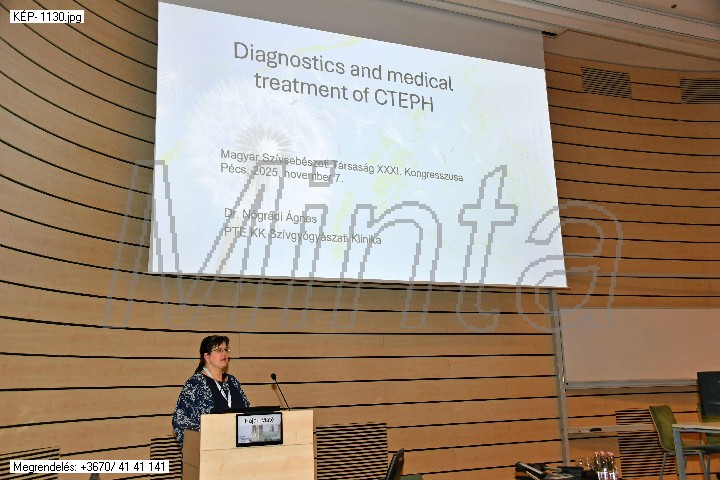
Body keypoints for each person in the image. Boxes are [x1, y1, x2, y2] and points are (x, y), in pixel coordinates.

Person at [172, 335, 250, 446]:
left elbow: (246, 412)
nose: (224, 353)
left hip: (237, 446)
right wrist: (209, 439)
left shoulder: (232, 381)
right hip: (210, 449)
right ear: (207, 356)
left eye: (226, 350)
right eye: (219, 350)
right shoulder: (195, 383)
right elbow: (180, 422)